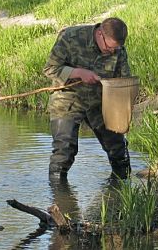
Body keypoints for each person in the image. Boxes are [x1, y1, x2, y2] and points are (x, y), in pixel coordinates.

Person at [43, 17, 131, 180]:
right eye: (109, 48)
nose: (112, 52)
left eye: (116, 48)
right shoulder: (71, 37)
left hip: (100, 102)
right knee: (64, 150)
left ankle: (121, 192)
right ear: (100, 34)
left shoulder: (118, 49)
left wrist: (123, 113)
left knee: (118, 148)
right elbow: (50, 69)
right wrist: (78, 73)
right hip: (68, 98)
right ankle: (60, 199)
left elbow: (123, 81)